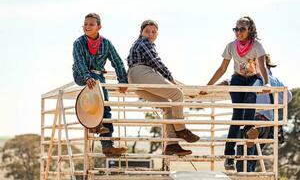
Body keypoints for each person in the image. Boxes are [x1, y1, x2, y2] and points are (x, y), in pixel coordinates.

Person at [200, 16, 270, 170]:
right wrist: (208, 86)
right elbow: (222, 68)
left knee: (251, 94)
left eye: (242, 29)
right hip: (238, 78)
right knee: (237, 115)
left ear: (249, 30)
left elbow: (263, 67)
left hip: (254, 78)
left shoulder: (257, 46)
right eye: (236, 29)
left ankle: (248, 131)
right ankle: (229, 155)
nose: (238, 32)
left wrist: (266, 83)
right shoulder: (231, 46)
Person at [127, 20, 200, 156]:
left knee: (167, 106)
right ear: (141, 33)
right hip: (141, 73)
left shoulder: (137, 44)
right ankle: (181, 129)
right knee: (177, 93)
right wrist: (171, 79)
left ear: (157, 34)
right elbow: (156, 62)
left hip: (134, 79)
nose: (150, 34)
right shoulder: (144, 42)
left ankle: (172, 144)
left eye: (153, 32)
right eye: (147, 31)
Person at [72, 13, 128, 157]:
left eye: (91, 24)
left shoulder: (106, 43)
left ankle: (107, 146)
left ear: (99, 27)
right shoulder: (78, 43)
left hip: (98, 77)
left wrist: (122, 80)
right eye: (85, 24)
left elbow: (117, 61)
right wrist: (86, 77)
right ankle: (95, 125)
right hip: (81, 74)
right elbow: (79, 62)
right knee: (99, 89)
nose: (87, 27)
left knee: (106, 107)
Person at [235, 54, 292, 172]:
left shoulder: (251, 78)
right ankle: (252, 134)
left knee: (243, 158)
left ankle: (250, 133)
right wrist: (274, 98)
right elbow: (288, 97)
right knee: (253, 158)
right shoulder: (275, 80)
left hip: (253, 119)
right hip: (267, 123)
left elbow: (228, 82)